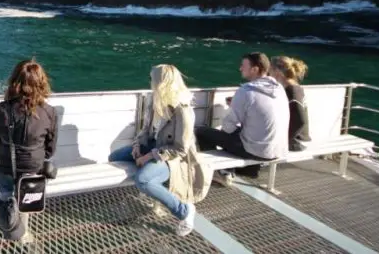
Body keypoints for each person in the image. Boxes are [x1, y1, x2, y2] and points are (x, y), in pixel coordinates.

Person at [108, 64, 212, 237]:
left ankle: (184, 210)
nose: (150, 82)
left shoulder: (183, 111)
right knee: (115, 157)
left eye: (152, 78)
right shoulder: (155, 102)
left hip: (172, 158)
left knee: (144, 180)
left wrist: (149, 156)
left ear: (162, 82)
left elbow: (180, 149)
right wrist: (137, 147)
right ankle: (156, 190)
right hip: (153, 146)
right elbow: (144, 131)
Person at [0, 59, 58, 243]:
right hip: (33, 168)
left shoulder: (2, 109)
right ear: (41, 82)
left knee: (6, 198)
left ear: (14, 81)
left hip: (5, 165)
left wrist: (10, 154)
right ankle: (22, 237)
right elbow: (50, 147)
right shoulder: (50, 112)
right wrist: (35, 157)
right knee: (23, 204)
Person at [195, 52, 289, 186]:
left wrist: (234, 106)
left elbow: (227, 128)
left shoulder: (246, 91)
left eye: (243, 66)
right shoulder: (279, 88)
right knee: (244, 133)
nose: (240, 69)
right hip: (278, 149)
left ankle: (223, 173)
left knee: (202, 132)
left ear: (255, 69)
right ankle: (244, 170)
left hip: (257, 151)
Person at [270, 56, 310, 151]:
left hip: (296, 141)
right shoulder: (293, 87)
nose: (268, 74)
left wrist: (285, 139)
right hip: (297, 138)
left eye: (270, 70)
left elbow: (301, 120)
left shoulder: (292, 90)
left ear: (277, 72)